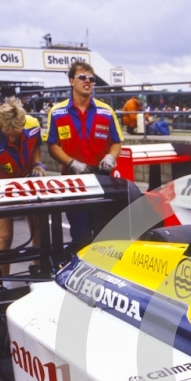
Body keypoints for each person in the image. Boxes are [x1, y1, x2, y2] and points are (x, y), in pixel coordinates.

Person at [46, 61, 123, 246]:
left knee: (104, 238)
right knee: (80, 238)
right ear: (72, 81)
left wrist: (111, 156)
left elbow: (116, 142)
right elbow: (52, 146)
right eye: (82, 77)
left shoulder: (106, 111)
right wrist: (71, 163)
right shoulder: (57, 113)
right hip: (74, 182)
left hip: (102, 180)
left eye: (91, 78)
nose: (87, 81)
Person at [0, 98, 44, 274]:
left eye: (17, 133)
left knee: (39, 228)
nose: (13, 137)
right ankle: (2, 281)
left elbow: (37, 146)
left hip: (28, 176)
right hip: (0, 182)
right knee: (5, 237)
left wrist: (38, 164)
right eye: (9, 134)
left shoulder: (32, 124)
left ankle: (39, 268)